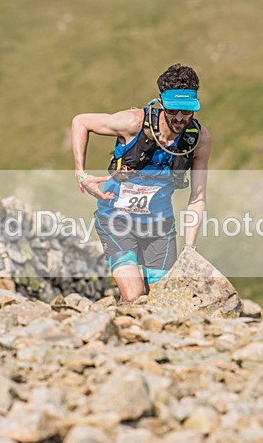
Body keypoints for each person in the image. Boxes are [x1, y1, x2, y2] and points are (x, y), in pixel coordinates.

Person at [71, 64, 212, 302]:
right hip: (116, 219)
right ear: (161, 103)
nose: (180, 118)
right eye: (174, 110)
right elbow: (80, 122)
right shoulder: (133, 123)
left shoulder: (199, 139)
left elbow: (197, 198)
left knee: (161, 300)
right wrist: (81, 174)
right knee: (135, 296)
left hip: (160, 228)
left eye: (187, 112)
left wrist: (190, 248)